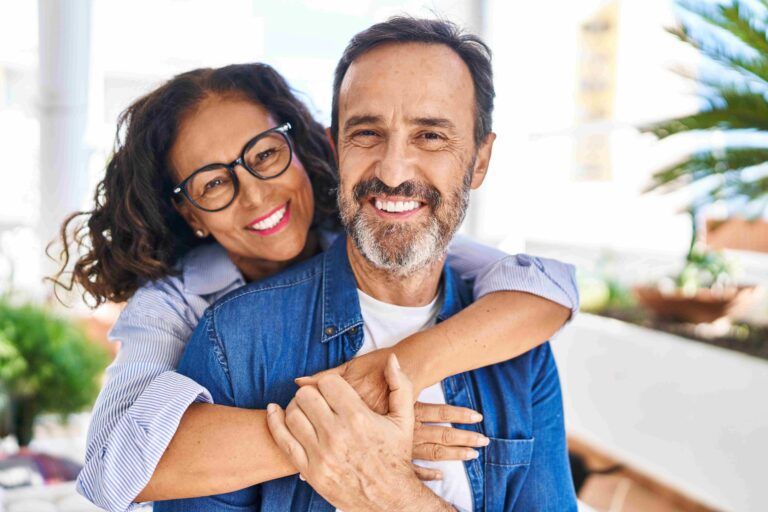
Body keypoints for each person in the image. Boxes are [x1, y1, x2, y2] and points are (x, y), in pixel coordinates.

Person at [53, 54, 576, 512]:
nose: (255, 195)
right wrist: (343, 433)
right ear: (188, 211)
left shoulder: (376, 228)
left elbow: (545, 290)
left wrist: (400, 370)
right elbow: (111, 464)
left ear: (301, 148)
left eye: (263, 156)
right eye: (213, 182)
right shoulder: (189, 313)